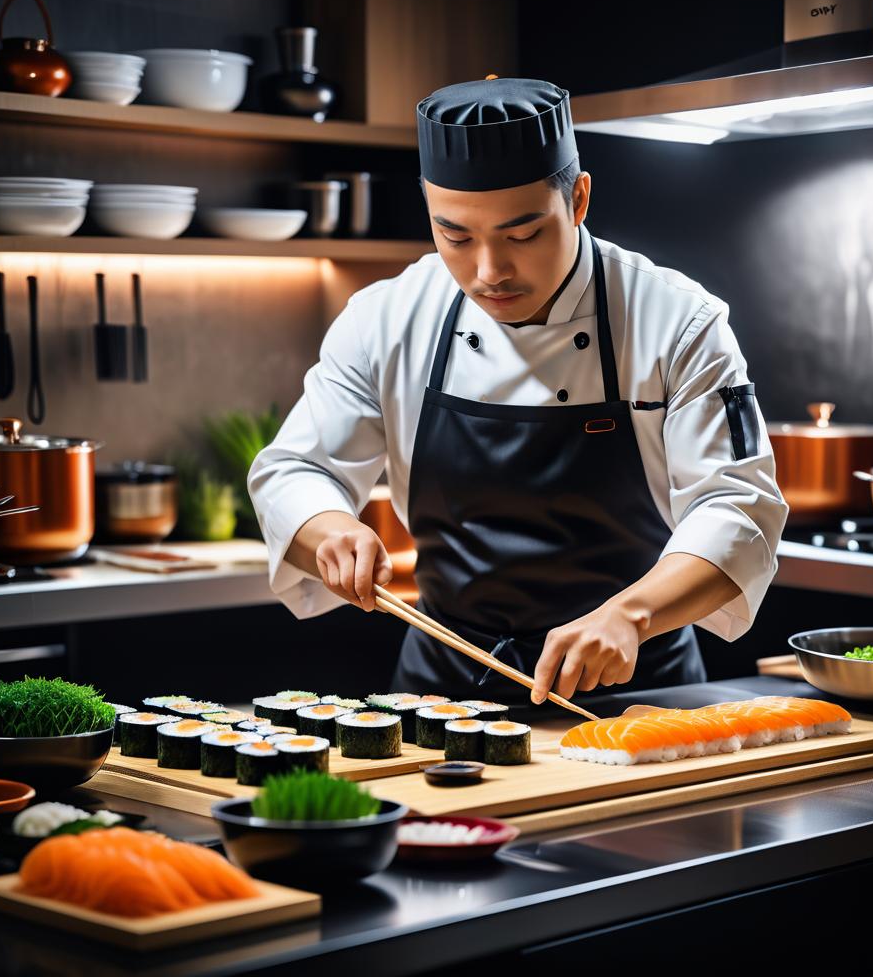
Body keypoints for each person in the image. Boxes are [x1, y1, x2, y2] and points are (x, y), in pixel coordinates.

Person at [248, 76, 788, 709]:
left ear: (579, 199)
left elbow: (739, 507)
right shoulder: (386, 318)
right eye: (455, 236)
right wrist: (330, 527)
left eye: (523, 235)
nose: (488, 272)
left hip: (637, 690)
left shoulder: (678, 321)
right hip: (440, 695)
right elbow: (294, 469)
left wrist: (632, 615)